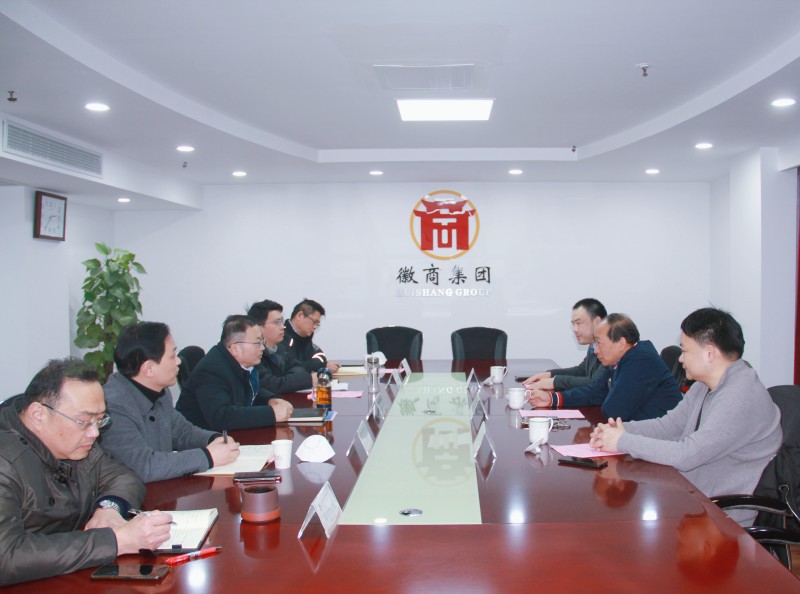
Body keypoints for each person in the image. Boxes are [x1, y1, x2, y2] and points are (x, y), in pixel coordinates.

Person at [590, 307, 781, 525]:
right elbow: (669, 427)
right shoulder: (704, 385)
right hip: (692, 494)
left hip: (722, 515)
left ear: (709, 353)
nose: (680, 359)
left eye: (685, 350)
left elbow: (688, 454)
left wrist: (623, 441)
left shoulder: (740, 396)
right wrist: (618, 430)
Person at [0, 358, 173, 586]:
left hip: (66, 576)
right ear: (38, 415)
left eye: (99, 420)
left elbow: (123, 476)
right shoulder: (6, 462)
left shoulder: (77, 444)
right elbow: (6, 557)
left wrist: (109, 507)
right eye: (83, 421)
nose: (94, 433)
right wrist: (116, 541)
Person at [102, 321, 241, 482]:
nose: (178, 361)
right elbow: (145, 466)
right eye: (172, 356)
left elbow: (182, 432)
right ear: (148, 368)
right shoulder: (113, 407)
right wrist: (208, 457)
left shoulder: (159, 391)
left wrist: (214, 439)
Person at [528, 313, 681, 421]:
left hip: (661, 441)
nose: (595, 351)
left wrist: (606, 393)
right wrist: (552, 399)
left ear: (621, 343)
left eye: (599, 343)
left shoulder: (641, 361)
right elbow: (595, 391)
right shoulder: (621, 357)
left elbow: (614, 411)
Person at [176, 315, 293, 430]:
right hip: (203, 438)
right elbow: (222, 417)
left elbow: (249, 390)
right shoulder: (210, 370)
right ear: (236, 348)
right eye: (257, 343)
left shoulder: (238, 363)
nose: (263, 347)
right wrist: (271, 414)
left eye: (262, 341)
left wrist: (270, 399)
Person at [523, 298, 607, 390]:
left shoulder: (610, 348)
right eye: (573, 324)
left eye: (579, 323)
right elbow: (582, 371)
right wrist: (550, 375)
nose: (575, 329)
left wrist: (555, 382)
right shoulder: (593, 344)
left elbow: (595, 382)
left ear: (597, 322)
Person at [247, 300, 316, 394]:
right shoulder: (252, 354)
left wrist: (285, 380)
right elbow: (271, 385)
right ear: (258, 327)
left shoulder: (281, 348)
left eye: (282, 321)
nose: (283, 326)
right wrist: (307, 380)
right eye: (277, 322)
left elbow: (299, 369)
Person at [282, 298, 340, 373]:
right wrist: (321, 365)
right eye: (314, 322)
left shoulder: (306, 337)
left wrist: (320, 364)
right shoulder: (281, 335)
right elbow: (291, 368)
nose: (315, 327)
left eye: (317, 324)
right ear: (300, 315)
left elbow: (320, 355)